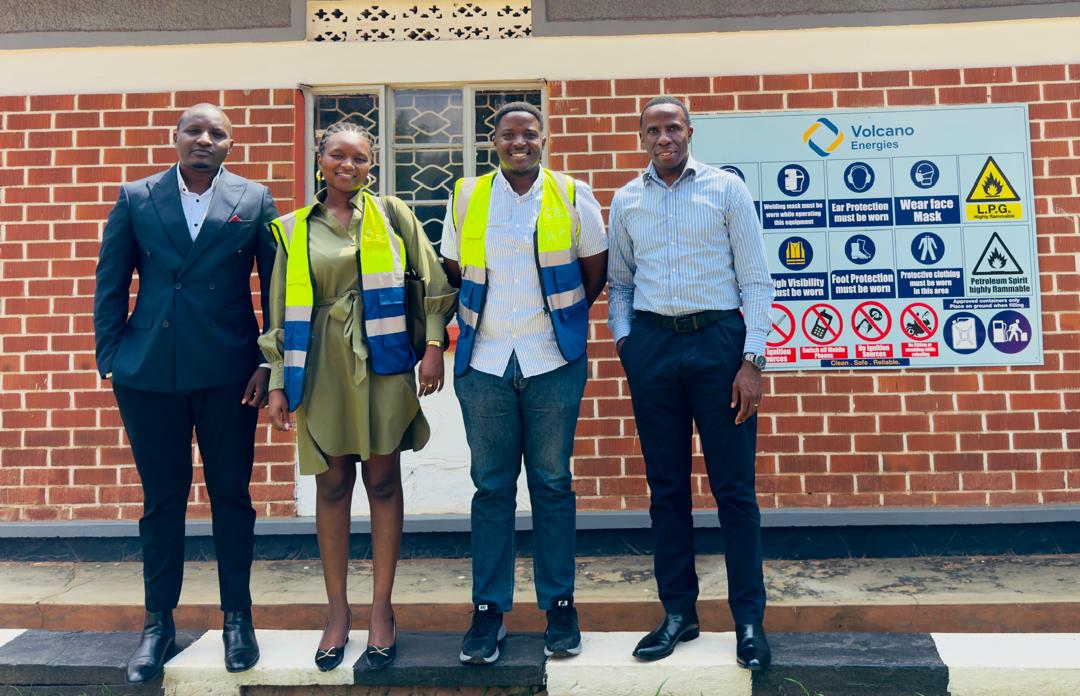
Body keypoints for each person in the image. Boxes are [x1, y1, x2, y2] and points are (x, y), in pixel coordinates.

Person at [262, 121, 456, 672]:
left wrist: (434, 345)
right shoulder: (294, 229)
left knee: (384, 480)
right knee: (331, 484)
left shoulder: (392, 215)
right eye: (338, 155)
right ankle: (337, 613)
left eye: (361, 158)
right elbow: (278, 309)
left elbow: (434, 280)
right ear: (319, 158)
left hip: (383, 360)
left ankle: (382, 610)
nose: (349, 165)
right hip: (321, 364)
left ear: (373, 164)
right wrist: (276, 381)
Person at [93, 103, 277, 681]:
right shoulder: (137, 197)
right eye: (193, 130)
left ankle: (238, 619)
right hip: (149, 373)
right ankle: (157, 625)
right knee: (162, 501)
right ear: (175, 137)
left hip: (230, 373)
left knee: (232, 497)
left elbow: (276, 288)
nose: (204, 138)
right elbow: (110, 280)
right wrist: (112, 359)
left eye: (216, 132)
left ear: (230, 144)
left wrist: (268, 363)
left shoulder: (254, 199)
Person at [607, 96, 775, 669]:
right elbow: (621, 283)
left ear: (689, 132)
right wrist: (628, 345)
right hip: (653, 347)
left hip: (720, 347)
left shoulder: (726, 190)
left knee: (735, 490)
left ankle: (748, 620)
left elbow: (756, 280)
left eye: (673, 127)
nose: (664, 138)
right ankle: (678, 613)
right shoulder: (627, 200)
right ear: (642, 137)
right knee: (667, 489)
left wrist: (753, 361)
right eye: (653, 130)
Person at [441, 101, 608, 665]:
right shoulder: (467, 196)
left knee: (552, 484)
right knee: (491, 488)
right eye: (509, 134)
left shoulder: (571, 193)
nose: (519, 142)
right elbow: (453, 271)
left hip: (551, 359)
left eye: (529, 134)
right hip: (485, 360)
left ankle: (559, 606)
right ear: (494, 141)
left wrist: (561, 322)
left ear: (543, 139)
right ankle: (488, 611)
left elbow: (594, 271)